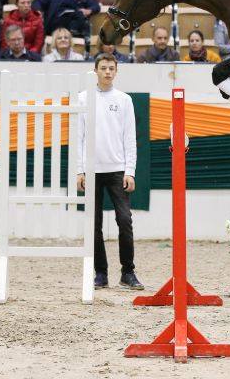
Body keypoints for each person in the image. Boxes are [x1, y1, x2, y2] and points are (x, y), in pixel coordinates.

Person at [77, 53, 143, 291]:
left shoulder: (124, 100)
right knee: (93, 224)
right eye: (103, 68)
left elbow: (130, 138)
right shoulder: (83, 98)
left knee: (124, 220)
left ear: (116, 71)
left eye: (111, 68)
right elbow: (78, 138)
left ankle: (128, 272)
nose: (107, 71)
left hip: (117, 171)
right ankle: (101, 273)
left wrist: (130, 171)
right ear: (95, 71)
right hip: (91, 171)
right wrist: (80, 170)